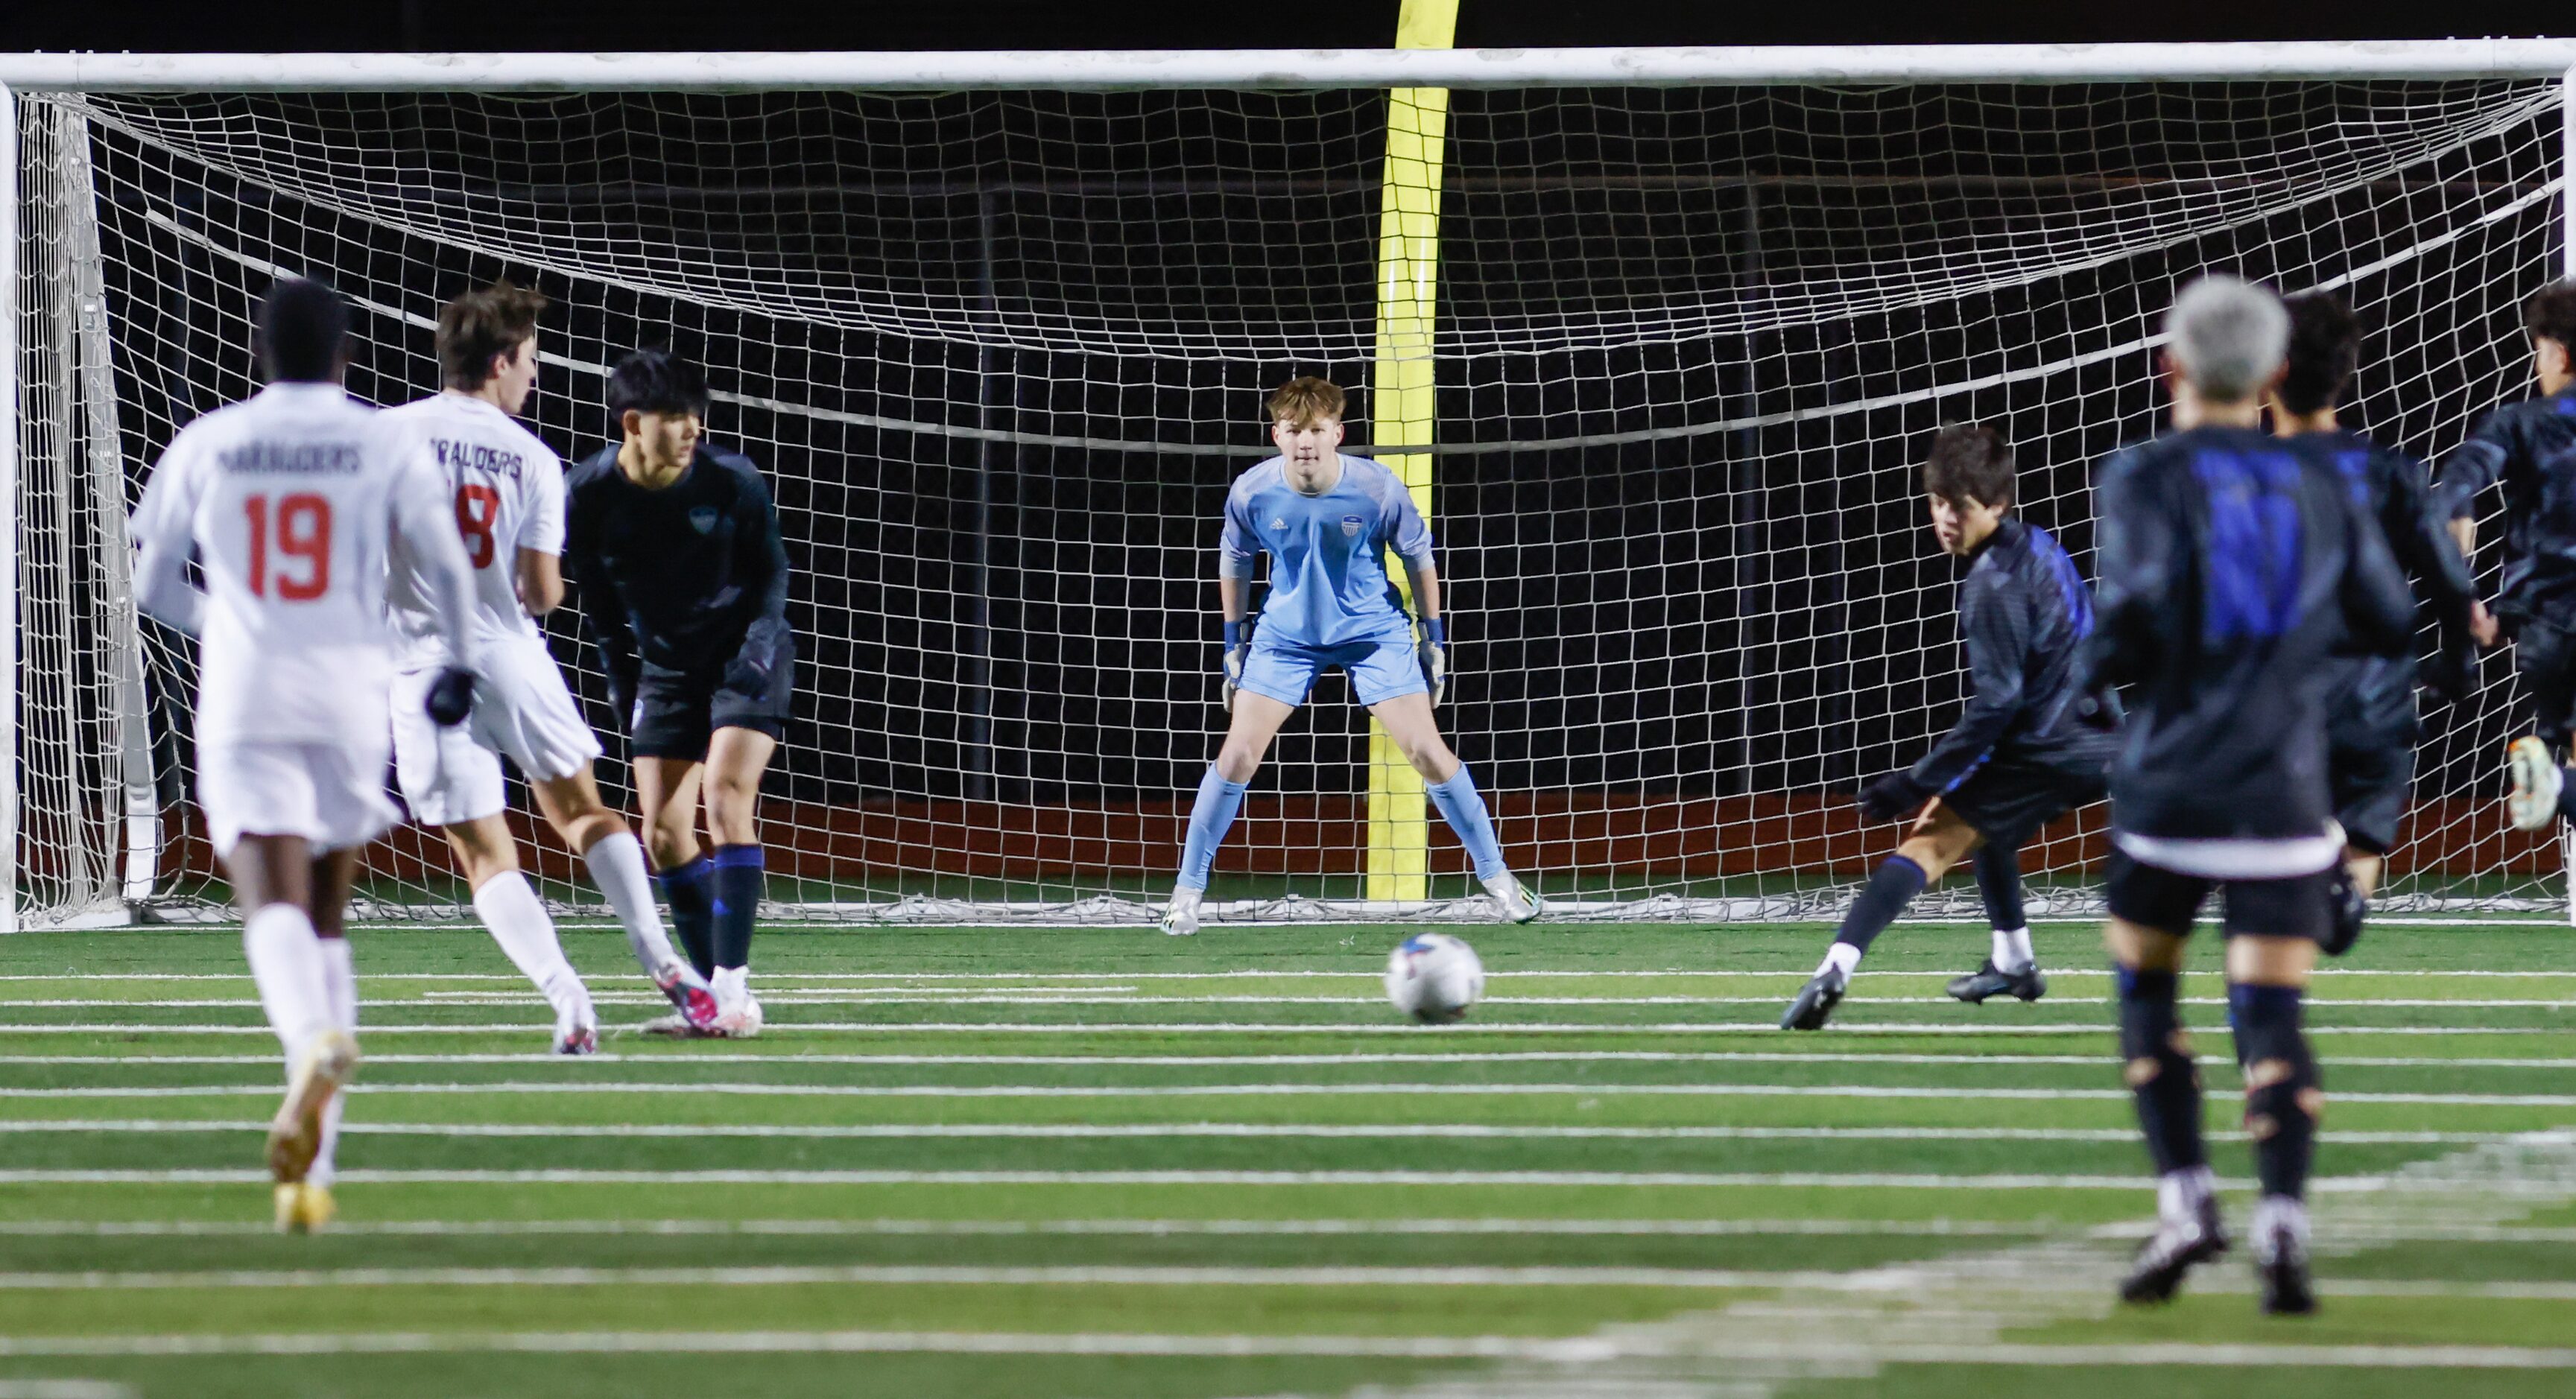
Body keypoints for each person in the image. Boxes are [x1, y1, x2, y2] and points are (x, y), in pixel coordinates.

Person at [2083, 275, 2414, 1316]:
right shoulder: (2320, 478)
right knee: (2271, 1010)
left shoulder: (2141, 471)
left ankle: (2187, 1203)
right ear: (2275, 376)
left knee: (2145, 991)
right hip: (2282, 792)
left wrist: (2095, 670)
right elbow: (2384, 616)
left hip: (2171, 787)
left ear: (2168, 364)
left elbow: (2132, 612)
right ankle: (2283, 1223)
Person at [128, 276, 481, 1231]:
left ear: (258, 354)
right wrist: (455, 663)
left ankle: (311, 1043)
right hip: (351, 688)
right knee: (327, 917)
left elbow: (151, 582)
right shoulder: (381, 440)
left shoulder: (210, 441)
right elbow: (446, 566)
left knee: (266, 901)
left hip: (248, 690)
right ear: (346, 356)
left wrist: (233, 624)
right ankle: (310, 1179)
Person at [384, 283, 722, 1049]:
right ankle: (665, 962)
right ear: (501, 361)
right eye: (531, 361)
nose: (534, 376)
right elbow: (539, 593)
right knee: (583, 813)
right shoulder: (530, 456)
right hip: (506, 653)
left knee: (482, 854)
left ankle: (567, 998)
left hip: (421, 669)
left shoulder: (385, 438)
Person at [1161, 375, 1539, 934]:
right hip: (1285, 639)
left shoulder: (1376, 488)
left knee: (1426, 753)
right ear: (1277, 435)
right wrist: (1232, 644)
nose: (1305, 441)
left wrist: (1433, 640)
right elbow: (1234, 565)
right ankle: (1186, 892)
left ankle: (1499, 881)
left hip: (1372, 633)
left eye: (1316, 429)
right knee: (1238, 755)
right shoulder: (1251, 491)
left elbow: (1418, 559)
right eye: (1294, 430)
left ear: (1337, 432)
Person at [1780, 425, 2115, 1030]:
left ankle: (1835, 968)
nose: (1946, 520)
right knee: (1989, 827)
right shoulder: (2042, 547)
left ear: (1995, 505)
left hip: (2044, 746)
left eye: (1959, 507)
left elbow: (1997, 705)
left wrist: (1913, 781)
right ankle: (2013, 961)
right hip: (2094, 735)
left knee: (1928, 837)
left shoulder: (1991, 584)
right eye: (1937, 503)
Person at [564, 349, 791, 1036]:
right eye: (676, 416)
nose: (693, 427)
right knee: (661, 835)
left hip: (746, 655)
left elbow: (772, 574)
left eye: (697, 414)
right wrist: (618, 683)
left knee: (726, 796)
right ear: (633, 423)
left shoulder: (731, 480)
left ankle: (732, 988)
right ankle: (711, 999)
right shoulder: (588, 494)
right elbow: (599, 606)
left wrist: (757, 647)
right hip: (666, 669)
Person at [2268, 291, 2490, 953]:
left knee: (2269, 876)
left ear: (2270, 370)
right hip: (2376, 700)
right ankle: (2342, 890)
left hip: (2278, 704)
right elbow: (2450, 580)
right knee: (2362, 839)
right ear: (2345, 371)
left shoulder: (2240, 477)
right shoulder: (2391, 472)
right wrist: (2457, 666)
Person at [2434, 279, 2576, 833]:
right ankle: (2554, 783)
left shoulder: (2516, 424)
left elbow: (2453, 495)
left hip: (2543, 628)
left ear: (2558, 352)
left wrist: (2463, 595)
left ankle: (2552, 780)